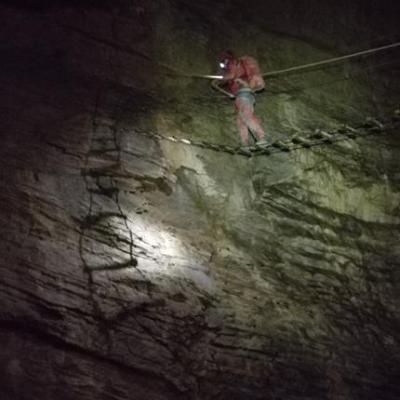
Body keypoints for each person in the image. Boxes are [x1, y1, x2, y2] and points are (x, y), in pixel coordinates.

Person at [212, 51, 269, 148]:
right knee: (240, 120)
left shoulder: (235, 64)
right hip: (240, 95)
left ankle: (262, 137)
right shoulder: (233, 66)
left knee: (246, 115)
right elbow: (229, 76)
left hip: (245, 93)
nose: (225, 65)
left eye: (224, 62)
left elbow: (230, 75)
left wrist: (220, 79)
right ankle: (244, 144)